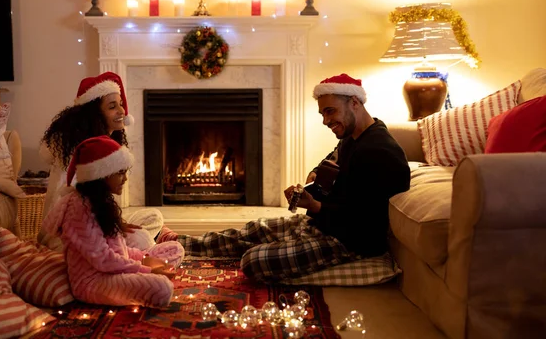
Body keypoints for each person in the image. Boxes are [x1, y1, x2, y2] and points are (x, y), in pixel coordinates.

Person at [156, 73, 410, 282]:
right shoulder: (353, 138)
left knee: (253, 261)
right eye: (322, 113)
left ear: (355, 102)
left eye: (330, 111)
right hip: (324, 222)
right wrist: (314, 177)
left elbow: (362, 222)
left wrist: (314, 206)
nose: (325, 120)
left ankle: (285, 250)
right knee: (256, 229)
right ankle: (179, 243)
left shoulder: (378, 152)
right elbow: (331, 162)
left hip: (349, 241)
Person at [42, 135, 184, 306]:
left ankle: (146, 276)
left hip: (115, 269)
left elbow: (119, 249)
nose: (125, 178)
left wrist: (145, 258)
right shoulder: (79, 209)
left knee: (175, 249)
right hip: (94, 282)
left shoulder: (101, 201)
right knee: (163, 288)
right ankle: (149, 279)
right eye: (120, 173)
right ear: (101, 175)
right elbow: (103, 259)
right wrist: (147, 269)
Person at [38, 72, 163, 250]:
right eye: (112, 107)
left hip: (98, 225)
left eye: (120, 104)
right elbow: (75, 207)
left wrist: (116, 223)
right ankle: (142, 255)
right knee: (141, 239)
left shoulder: (105, 145)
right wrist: (115, 227)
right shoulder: (84, 151)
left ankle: (136, 250)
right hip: (69, 235)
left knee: (153, 217)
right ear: (94, 114)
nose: (122, 111)